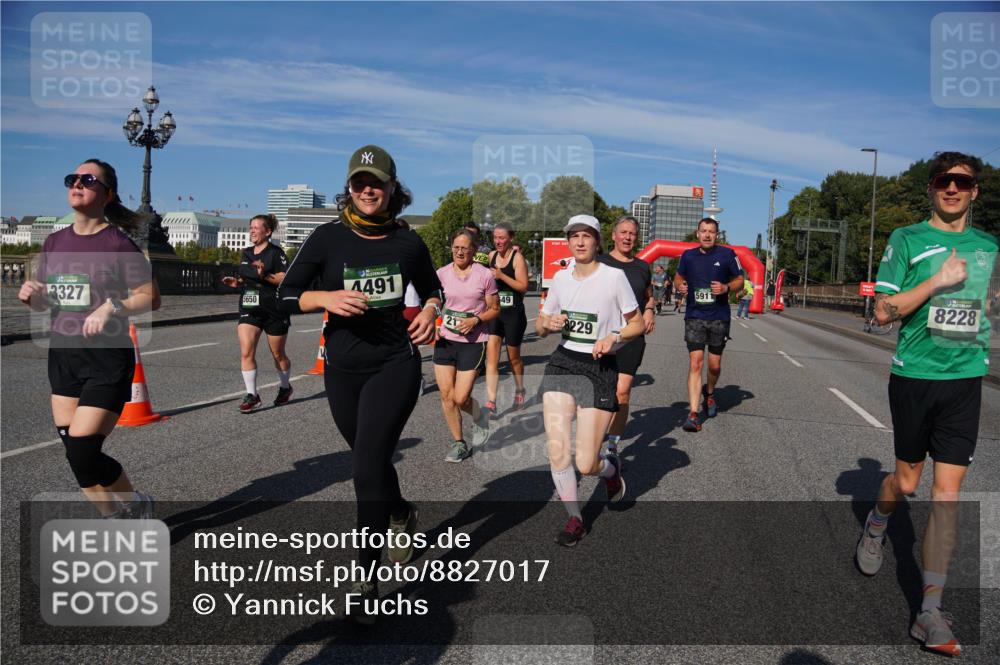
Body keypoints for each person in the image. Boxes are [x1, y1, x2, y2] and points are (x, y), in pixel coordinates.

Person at [277, 145, 442, 620]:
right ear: (348, 188)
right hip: (342, 369)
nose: (368, 191)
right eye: (359, 183)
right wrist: (325, 297)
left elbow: (434, 288)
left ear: (393, 188)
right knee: (370, 459)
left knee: (366, 466)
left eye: (377, 183)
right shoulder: (327, 237)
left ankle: (366, 581)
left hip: (394, 364)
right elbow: (285, 294)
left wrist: (431, 310)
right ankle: (401, 512)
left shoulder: (408, 242)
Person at [854, 152, 997, 657]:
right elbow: (882, 312)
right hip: (915, 377)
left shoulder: (990, 249)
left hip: (965, 381)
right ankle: (877, 521)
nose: (952, 189)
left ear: (975, 191)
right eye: (943, 181)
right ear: (931, 188)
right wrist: (937, 282)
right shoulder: (907, 239)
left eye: (962, 182)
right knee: (908, 482)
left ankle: (929, 610)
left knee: (947, 494)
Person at [18, 158, 158, 518]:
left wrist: (112, 306)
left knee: (83, 448)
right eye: (73, 178)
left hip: (106, 359)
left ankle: (136, 503)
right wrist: (32, 295)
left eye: (88, 179)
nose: (77, 184)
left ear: (108, 194)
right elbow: (49, 300)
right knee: (74, 453)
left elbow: (150, 297)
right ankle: (115, 519)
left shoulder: (118, 243)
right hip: (64, 356)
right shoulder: (54, 241)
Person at [536, 214, 645, 547]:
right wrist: (548, 324)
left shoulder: (614, 277)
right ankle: (575, 518)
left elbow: (637, 323)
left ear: (597, 242)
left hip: (599, 367)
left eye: (587, 236)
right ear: (568, 241)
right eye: (574, 236)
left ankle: (609, 469)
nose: (580, 242)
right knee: (558, 450)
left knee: (586, 462)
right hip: (563, 363)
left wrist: (614, 336)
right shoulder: (560, 278)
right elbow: (540, 323)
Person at [434, 230, 500, 461]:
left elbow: (495, 308)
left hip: (473, 342)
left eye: (464, 248)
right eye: (456, 247)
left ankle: (480, 416)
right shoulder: (441, 273)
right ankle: (459, 443)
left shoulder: (484, 275)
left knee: (461, 398)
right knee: (446, 395)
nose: (459, 252)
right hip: (446, 340)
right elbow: (434, 301)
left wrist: (476, 320)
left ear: (473, 250)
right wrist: (434, 322)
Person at [674, 218, 744, 432]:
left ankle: (710, 393)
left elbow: (740, 280)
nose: (707, 235)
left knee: (714, 365)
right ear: (697, 233)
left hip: (719, 317)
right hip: (694, 315)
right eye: (703, 231)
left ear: (716, 235)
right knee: (696, 363)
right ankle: (693, 414)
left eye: (711, 232)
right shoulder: (688, 256)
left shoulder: (727, 255)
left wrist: (726, 288)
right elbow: (678, 278)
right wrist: (681, 286)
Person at [597, 216, 654, 461]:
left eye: (632, 233)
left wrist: (649, 310)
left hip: (631, 337)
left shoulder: (642, 267)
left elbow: (648, 295)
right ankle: (594, 433)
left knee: (622, 391)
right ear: (614, 235)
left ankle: (612, 448)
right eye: (623, 232)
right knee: (599, 391)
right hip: (602, 335)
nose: (628, 237)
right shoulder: (599, 262)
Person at [221, 214, 292, 412]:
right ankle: (252, 395)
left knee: (278, 354)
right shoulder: (247, 253)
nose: (251, 231)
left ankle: (285, 387)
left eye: (256, 227)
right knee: (246, 351)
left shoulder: (276, 253)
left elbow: (283, 278)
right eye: (250, 227)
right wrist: (237, 282)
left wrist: (265, 275)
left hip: (274, 309)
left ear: (267, 231)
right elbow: (246, 276)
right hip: (250, 307)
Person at [484, 222, 530, 417]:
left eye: (502, 237)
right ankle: (491, 402)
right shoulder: (491, 256)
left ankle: (520, 389)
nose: (498, 241)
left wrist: (501, 275)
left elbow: (523, 287)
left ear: (511, 238)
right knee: (492, 357)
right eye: (495, 237)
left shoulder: (517, 258)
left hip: (514, 314)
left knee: (514, 358)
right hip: (495, 312)